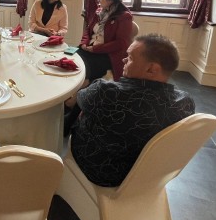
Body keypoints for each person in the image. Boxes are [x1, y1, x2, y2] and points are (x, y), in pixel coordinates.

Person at [69, 34, 195, 187]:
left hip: (102, 171)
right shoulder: (185, 103)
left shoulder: (107, 92)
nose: (123, 60)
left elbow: (80, 98)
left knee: (83, 112)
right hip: (150, 176)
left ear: (151, 69)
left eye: (130, 57)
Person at [77, 0, 132, 82]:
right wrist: (84, 43)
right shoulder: (99, 11)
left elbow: (121, 43)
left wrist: (95, 49)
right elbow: (88, 30)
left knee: (84, 67)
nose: (99, 0)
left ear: (110, 0)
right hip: (90, 48)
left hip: (107, 54)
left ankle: (84, 86)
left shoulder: (124, 17)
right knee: (73, 56)